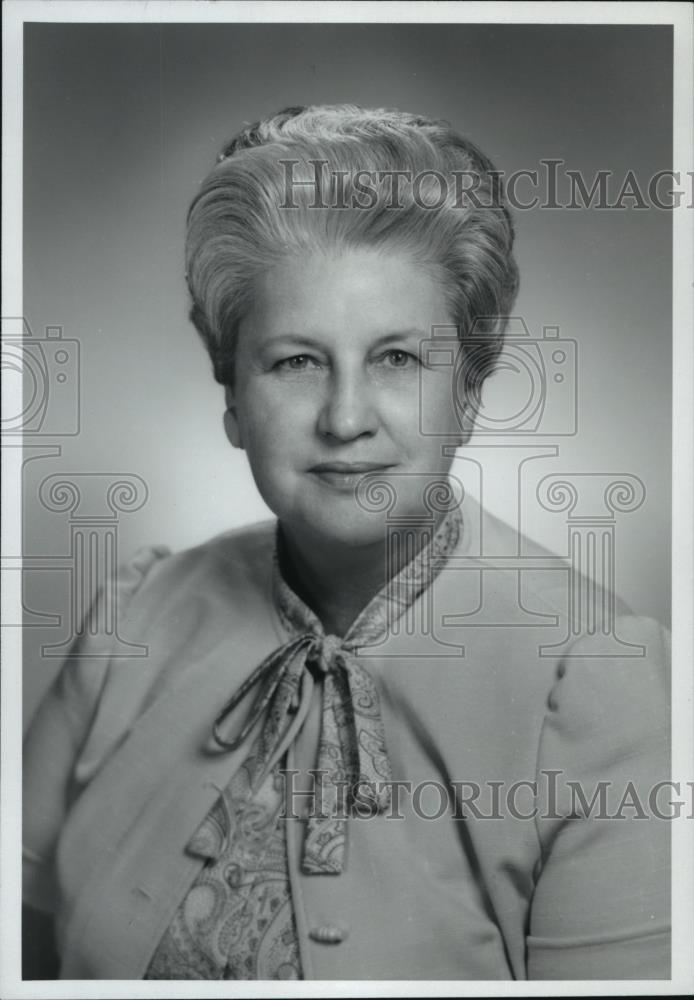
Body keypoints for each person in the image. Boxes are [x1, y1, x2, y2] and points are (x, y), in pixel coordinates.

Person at [22, 105, 670, 981]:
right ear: (231, 401)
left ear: (470, 395)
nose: (346, 418)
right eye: (296, 362)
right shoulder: (134, 618)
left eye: (398, 359)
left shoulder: (597, 680)